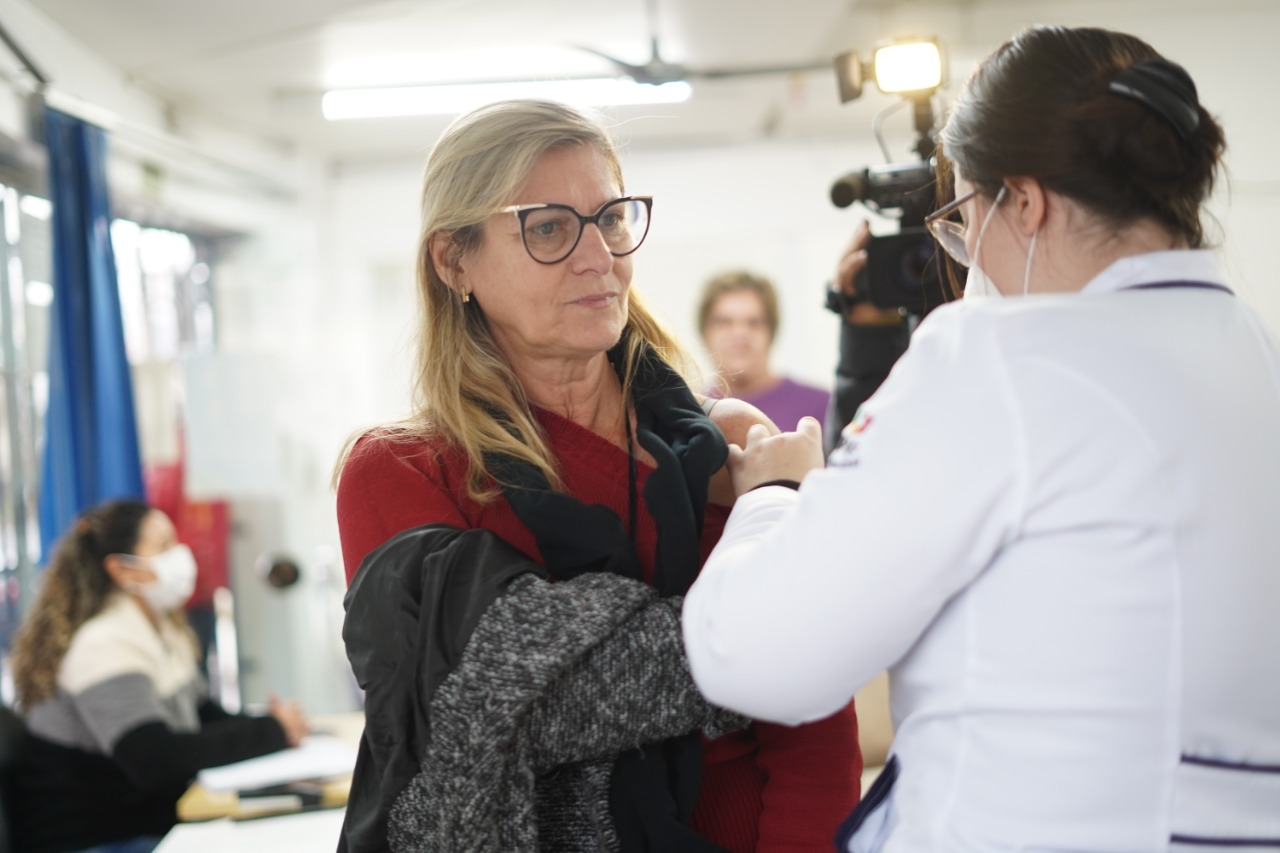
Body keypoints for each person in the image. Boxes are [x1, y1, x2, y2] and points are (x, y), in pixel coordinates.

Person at [682, 24, 1280, 852]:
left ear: (1025, 201)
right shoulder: (1255, 357)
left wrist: (773, 494)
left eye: (962, 218)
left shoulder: (995, 356)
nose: (963, 261)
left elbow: (753, 656)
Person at [335, 99, 861, 853]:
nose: (599, 258)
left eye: (610, 218)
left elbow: (814, 711)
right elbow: (526, 703)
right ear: (454, 260)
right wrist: (768, 581)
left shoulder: (727, 443)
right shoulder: (402, 471)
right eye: (548, 227)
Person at [9, 499, 309, 853]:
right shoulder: (103, 642)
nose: (181, 555)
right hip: (97, 839)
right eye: (164, 545)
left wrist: (273, 724)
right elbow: (155, 760)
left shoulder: (159, 625)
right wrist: (272, 731)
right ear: (123, 570)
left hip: (143, 821)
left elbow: (203, 716)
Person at [698, 270, 831, 433]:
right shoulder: (689, 410)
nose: (740, 333)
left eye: (754, 323)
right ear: (705, 332)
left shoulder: (818, 406)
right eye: (725, 322)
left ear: (771, 332)